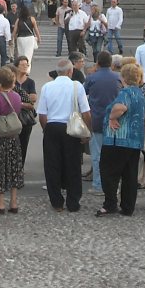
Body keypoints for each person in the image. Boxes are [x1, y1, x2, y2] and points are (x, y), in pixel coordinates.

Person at [37, 56, 92, 212]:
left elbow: (42, 114)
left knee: (52, 165)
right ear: (70, 71)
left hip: (52, 127)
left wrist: (46, 129)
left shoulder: (47, 87)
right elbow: (86, 112)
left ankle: (56, 201)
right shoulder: (77, 86)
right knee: (73, 165)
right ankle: (73, 201)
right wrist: (87, 131)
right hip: (71, 128)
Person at [96, 61, 145, 217]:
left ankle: (110, 203)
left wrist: (112, 117)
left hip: (118, 139)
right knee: (130, 175)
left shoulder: (126, 93)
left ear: (123, 77)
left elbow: (120, 107)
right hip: (134, 140)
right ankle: (128, 206)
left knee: (108, 172)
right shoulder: (140, 93)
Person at [0, 66, 25, 213]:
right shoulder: (17, 96)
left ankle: (0, 202)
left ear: (0, 84)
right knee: (13, 169)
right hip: (13, 138)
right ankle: (14, 201)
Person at [84, 50, 122, 195]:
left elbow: (83, 93)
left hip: (97, 119)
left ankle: (99, 184)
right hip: (115, 120)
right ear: (111, 63)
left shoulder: (92, 78)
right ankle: (113, 184)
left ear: (98, 63)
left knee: (97, 155)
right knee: (114, 155)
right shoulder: (118, 78)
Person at [12, 55, 38, 163]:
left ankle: (20, 166)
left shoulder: (30, 82)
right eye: (22, 65)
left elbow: (33, 100)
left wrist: (17, 101)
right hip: (13, 117)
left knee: (24, 142)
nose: (25, 67)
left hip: (26, 118)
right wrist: (24, 100)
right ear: (16, 67)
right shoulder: (11, 81)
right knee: (13, 143)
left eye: (27, 65)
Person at [13, 2, 41, 73]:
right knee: (28, 54)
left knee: (21, 55)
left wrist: (12, 39)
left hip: (20, 38)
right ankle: (27, 70)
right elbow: (36, 30)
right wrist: (39, 38)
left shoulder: (18, 20)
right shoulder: (32, 19)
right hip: (29, 38)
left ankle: (21, 69)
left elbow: (15, 30)